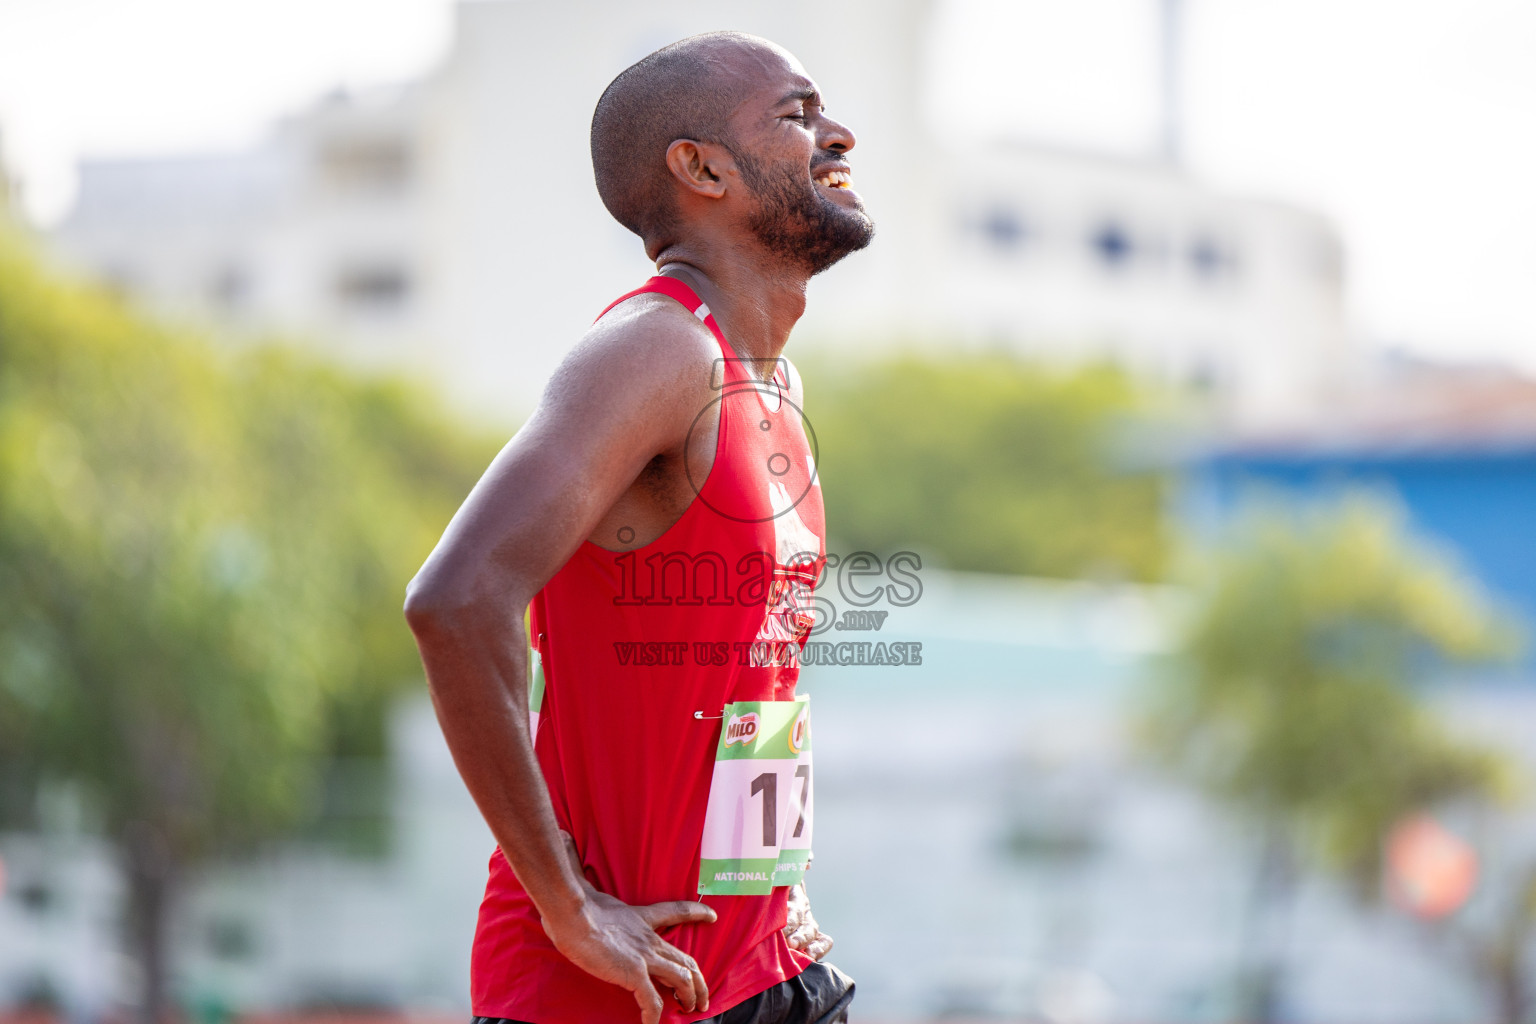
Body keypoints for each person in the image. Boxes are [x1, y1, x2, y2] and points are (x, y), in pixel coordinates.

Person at [404, 30, 873, 1024]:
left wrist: (771, 898)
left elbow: (733, 705)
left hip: (760, 966)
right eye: (797, 116)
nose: (841, 136)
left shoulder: (772, 388)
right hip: (612, 991)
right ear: (702, 168)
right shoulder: (654, 353)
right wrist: (568, 907)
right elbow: (455, 600)